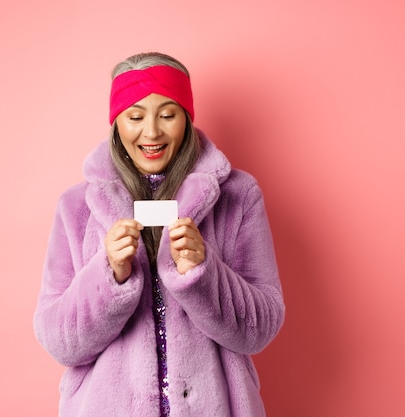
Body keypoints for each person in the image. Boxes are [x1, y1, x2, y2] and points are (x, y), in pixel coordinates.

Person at [33, 51, 285, 417]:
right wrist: (109, 276)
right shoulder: (77, 207)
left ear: (186, 117)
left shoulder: (238, 196)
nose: (151, 132)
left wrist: (203, 273)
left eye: (167, 114)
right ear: (117, 122)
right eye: (135, 116)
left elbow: (260, 329)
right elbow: (59, 342)